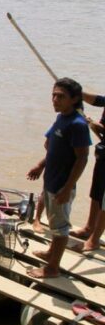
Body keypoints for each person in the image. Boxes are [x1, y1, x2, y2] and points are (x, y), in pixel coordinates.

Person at [26, 77, 90, 278]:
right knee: (55, 224)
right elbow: (53, 148)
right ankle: (51, 253)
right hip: (51, 181)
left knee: (61, 228)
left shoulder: (77, 124)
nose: (54, 99)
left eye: (61, 96)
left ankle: (52, 268)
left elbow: (82, 158)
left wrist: (67, 187)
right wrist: (40, 165)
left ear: (74, 99)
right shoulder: (62, 117)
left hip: (62, 185)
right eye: (53, 95)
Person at [68, 90, 105, 251]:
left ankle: (94, 239)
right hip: (103, 152)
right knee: (96, 192)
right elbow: (98, 100)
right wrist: (76, 91)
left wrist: (98, 127)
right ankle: (89, 228)